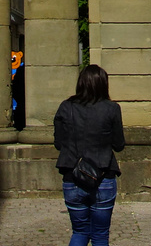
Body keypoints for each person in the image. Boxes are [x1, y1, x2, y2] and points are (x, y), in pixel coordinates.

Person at [54, 64, 125, 246]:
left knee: (79, 232)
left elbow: (58, 143)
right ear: (103, 84)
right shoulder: (111, 108)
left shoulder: (65, 106)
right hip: (102, 176)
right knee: (100, 235)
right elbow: (119, 145)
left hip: (72, 175)